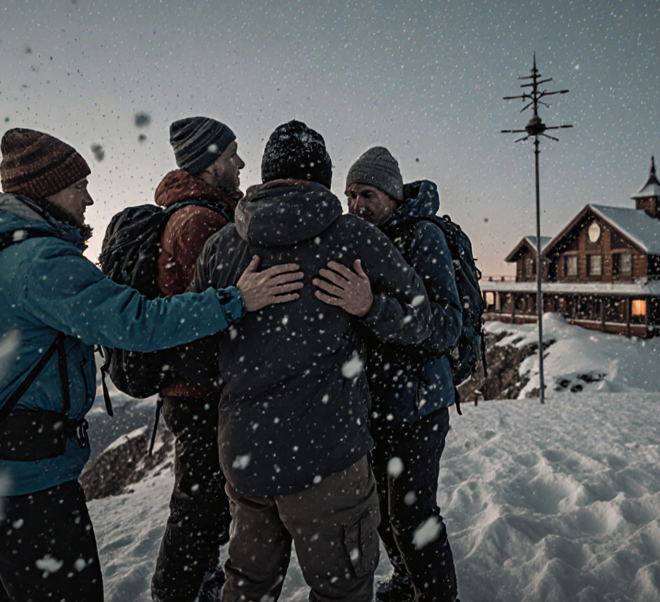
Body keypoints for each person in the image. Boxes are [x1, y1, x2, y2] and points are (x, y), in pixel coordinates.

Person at [0, 127, 303, 602]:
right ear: (47, 190)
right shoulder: (42, 262)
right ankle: (179, 590)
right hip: (29, 484)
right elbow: (136, 321)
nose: (89, 199)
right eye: (78, 187)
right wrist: (237, 300)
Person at [185, 120, 433, 602]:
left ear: (266, 173)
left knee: (247, 587)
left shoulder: (221, 247)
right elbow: (421, 321)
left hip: (245, 457)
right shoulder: (354, 238)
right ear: (323, 176)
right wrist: (370, 308)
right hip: (330, 460)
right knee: (342, 590)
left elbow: (192, 353)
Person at [341, 146, 462, 602]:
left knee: (412, 517)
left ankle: (435, 595)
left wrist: (372, 307)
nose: (356, 206)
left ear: (391, 195)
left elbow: (445, 325)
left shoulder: (422, 236)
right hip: (377, 407)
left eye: (367, 194)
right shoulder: (361, 239)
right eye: (350, 194)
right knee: (381, 513)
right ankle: (410, 582)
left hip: (419, 408)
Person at [149, 116, 246, 602]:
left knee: (204, 504)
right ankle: (179, 592)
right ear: (210, 163)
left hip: (193, 387)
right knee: (199, 506)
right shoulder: (199, 223)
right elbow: (205, 320)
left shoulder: (202, 213)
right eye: (232, 155)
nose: (241, 163)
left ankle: (195, 584)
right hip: (199, 391)